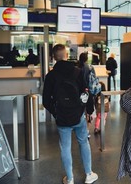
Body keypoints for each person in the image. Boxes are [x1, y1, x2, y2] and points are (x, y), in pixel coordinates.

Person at [42, 44, 98, 184]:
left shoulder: (51, 76)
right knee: (83, 142)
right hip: (78, 115)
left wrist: (56, 113)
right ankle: (89, 174)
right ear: (66, 55)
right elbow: (87, 92)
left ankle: (70, 178)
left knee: (65, 147)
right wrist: (89, 111)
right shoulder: (78, 71)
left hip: (62, 117)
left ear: (54, 58)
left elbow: (45, 101)